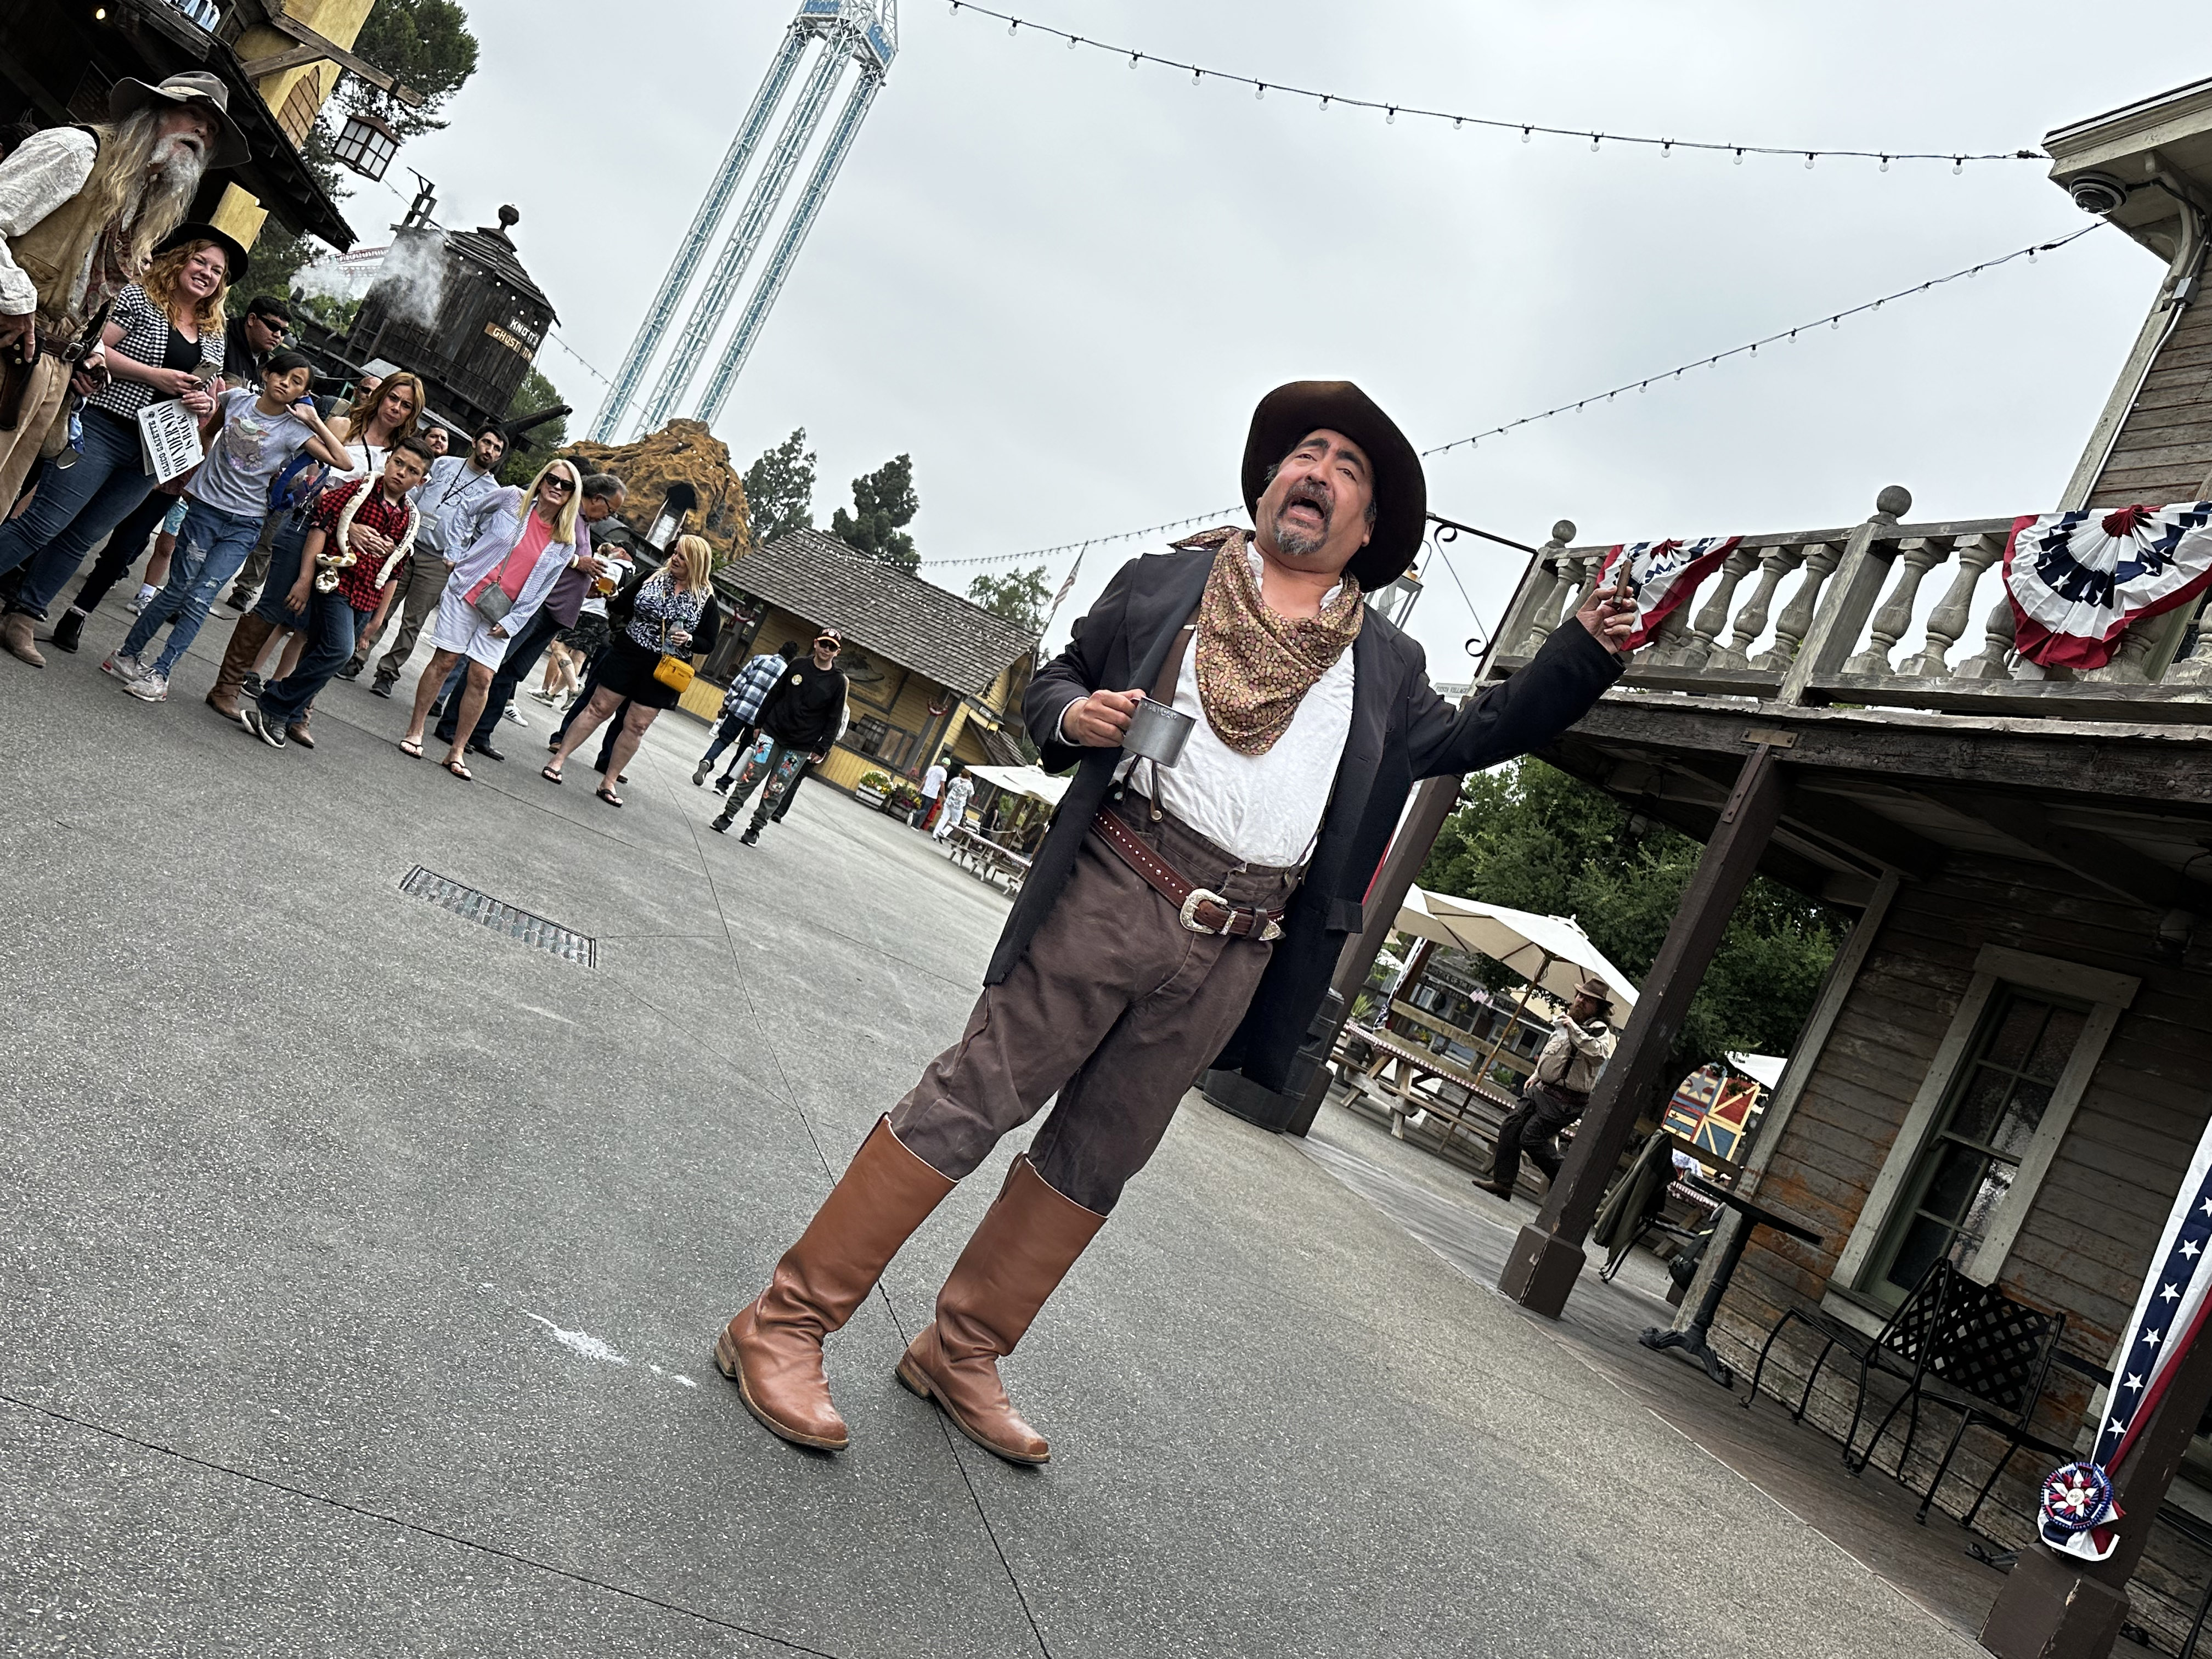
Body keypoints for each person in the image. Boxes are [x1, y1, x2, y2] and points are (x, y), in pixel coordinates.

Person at [712, 381, 1635, 1462]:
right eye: (1306, 452)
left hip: (1236, 945)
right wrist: (1072, 712)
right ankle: (784, 1321)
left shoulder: (1386, 664)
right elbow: (1057, 675)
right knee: (972, 1098)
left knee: (1100, 1153)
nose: (1318, 471)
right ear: (1270, 482)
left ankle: (960, 1351)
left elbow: (1473, 735)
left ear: (1368, 531)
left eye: (1347, 468)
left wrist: (1582, 648)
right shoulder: (1167, 583)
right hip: (1117, 883)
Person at [0, 70, 244, 511]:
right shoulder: (78, 150)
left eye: (211, 132)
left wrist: (88, 351)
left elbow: (82, 293)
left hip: (45, 372)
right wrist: (17, 300)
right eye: (193, 115)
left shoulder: (139, 204)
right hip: (9, 347)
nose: (201, 134)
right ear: (153, 112)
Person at [0, 222, 241, 664]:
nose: (207, 273)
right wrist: (154, 377)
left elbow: (208, 393)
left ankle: (23, 617)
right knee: (43, 523)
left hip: (153, 453)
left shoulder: (214, 331)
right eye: (201, 261)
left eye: (217, 271)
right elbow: (94, 348)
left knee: (82, 538)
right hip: (103, 426)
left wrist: (205, 403)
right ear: (180, 260)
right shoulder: (139, 297)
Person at [99, 348, 348, 703]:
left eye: (297, 383)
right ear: (267, 374)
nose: (286, 384)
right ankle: (126, 655)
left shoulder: (294, 430)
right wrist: (198, 475)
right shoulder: (235, 400)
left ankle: (161, 672)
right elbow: (208, 434)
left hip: (246, 523)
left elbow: (343, 461)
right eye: (282, 375)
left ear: (302, 393)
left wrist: (313, 420)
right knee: (177, 589)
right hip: (204, 511)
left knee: (201, 597)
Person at [241, 436, 431, 749]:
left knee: (320, 650)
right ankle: (274, 704)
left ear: (421, 481)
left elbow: (395, 571)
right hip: (336, 584)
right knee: (340, 650)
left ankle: (292, 715)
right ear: (388, 461)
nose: (401, 473)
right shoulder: (360, 490)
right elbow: (321, 526)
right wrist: (304, 579)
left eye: (412, 471)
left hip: (367, 598)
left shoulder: (409, 519)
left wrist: (378, 619)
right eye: (398, 463)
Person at [399, 457, 582, 780]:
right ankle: (416, 731)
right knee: (446, 660)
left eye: (566, 485)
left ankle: (457, 751)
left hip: (502, 611)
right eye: (552, 479)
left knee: (482, 677)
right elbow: (467, 509)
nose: (557, 487)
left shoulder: (565, 543)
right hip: (468, 588)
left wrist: (513, 622)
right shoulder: (513, 498)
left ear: (572, 495)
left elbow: (542, 591)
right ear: (542, 480)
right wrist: (455, 553)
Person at [435, 471, 625, 760]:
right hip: (537, 606)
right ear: (597, 499)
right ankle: (453, 726)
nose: (608, 517)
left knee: (509, 673)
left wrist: (587, 587)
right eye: (610, 510)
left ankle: (480, 732)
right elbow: (542, 549)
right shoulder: (567, 515)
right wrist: (579, 562)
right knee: (488, 668)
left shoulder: (584, 524)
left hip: (554, 613)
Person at [544, 534, 722, 806]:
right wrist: (612, 594)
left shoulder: (706, 598)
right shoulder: (651, 577)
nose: (674, 558)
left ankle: (609, 781)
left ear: (696, 563)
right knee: (597, 708)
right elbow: (622, 606)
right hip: (629, 653)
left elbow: (708, 642)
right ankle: (558, 760)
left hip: (663, 669)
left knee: (637, 726)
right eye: (675, 553)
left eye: (682, 557)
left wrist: (689, 640)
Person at [226, 370, 421, 616]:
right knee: (272, 608)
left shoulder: (400, 454)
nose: (396, 408)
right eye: (393, 398)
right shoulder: (342, 427)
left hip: (351, 550)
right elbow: (315, 484)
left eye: (406, 405)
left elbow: (392, 505)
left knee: (307, 624)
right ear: (381, 396)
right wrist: (348, 526)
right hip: (309, 525)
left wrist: (386, 542)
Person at [343, 421, 508, 696]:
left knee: (413, 622)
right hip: (406, 547)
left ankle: (388, 673)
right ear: (474, 442)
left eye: (497, 449)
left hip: (439, 561)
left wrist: (459, 560)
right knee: (382, 606)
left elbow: (482, 533)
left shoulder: (494, 491)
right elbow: (413, 495)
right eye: (487, 443)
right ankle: (356, 657)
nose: (490, 451)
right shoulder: (443, 465)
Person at [1478, 977, 1618, 1200]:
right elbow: (1554, 1050)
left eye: (1588, 1000)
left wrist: (1574, 1029)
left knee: (1531, 1138)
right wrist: (1538, 1074)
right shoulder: (1568, 1020)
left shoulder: (1599, 1030)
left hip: (1565, 1101)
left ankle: (1575, 1187)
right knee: (1511, 1126)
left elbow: (1598, 1055)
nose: (1580, 1001)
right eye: (1580, 996)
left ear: (1599, 1008)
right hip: (1543, 1090)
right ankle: (1503, 1183)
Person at [710, 628, 848, 842]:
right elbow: (775, 694)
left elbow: (834, 717)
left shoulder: (838, 682)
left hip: (800, 746)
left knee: (777, 787)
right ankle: (727, 815)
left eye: (832, 647)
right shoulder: (797, 665)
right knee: (751, 775)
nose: (826, 649)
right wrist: (759, 723)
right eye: (824, 644)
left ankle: (755, 829)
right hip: (772, 732)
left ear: (837, 652)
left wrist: (823, 747)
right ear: (815, 644)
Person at [695, 639, 796, 788]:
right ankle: (723, 784)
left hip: (740, 708)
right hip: (759, 720)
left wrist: (727, 704)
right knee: (744, 752)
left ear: (780, 649)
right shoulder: (787, 674)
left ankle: (708, 760)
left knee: (723, 740)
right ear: (792, 658)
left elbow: (739, 682)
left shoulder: (759, 659)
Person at [221, 292, 289, 390]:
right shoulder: (220, 341)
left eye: (284, 332)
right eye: (273, 326)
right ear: (252, 319)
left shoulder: (268, 366)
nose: (278, 335)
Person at [930, 764, 974, 843]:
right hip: (958, 805)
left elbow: (949, 786)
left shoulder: (956, 780)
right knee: (956, 822)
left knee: (944, 818)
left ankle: (935, 834)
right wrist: (970, 781)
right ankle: (944, 833)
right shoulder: (969, 784)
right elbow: (971, 794)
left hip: (949, 802)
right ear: (969, 776)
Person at [912, 756, 947, 827]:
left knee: (922, 808)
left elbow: (925, 779)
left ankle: (915, 825)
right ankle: (915, 814)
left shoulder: (932, 768)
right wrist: (944, 796)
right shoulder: (944, 772)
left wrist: (920, 788)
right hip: (932, 794)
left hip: (925, 791)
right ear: (946, 765)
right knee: (925, 810)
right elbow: (942, 785)